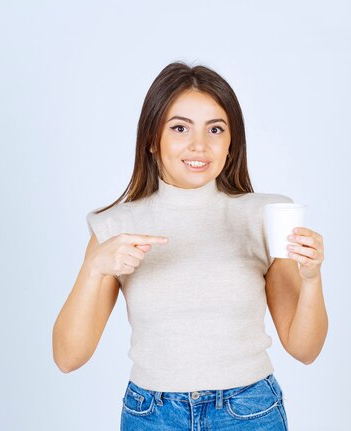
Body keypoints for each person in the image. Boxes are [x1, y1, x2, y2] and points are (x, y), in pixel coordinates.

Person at [52, 61, 328, 431]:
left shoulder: (265, 216)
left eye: (215, 129)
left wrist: (311, 278)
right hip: (152, 416)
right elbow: (68, 357)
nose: (199, 145)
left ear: (232, 142)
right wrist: (93, 269)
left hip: (248, 412)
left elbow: (304, 349)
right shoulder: (115, 226)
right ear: (152, 139)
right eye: (180, 128)